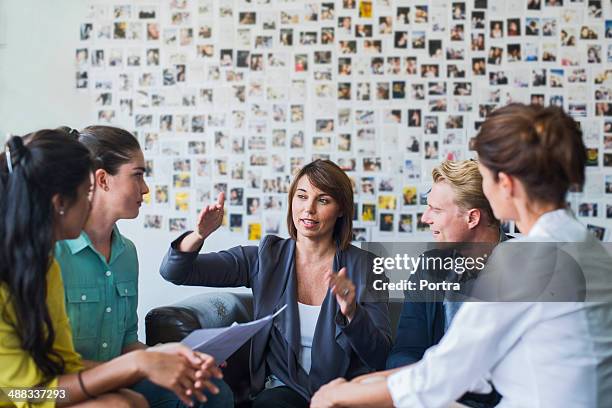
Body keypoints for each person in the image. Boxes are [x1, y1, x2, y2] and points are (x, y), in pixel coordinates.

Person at [310, 104, 612, 407]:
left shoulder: (526, 260)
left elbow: (446, 374)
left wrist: (340, 394)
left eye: (485, 175)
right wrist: (367, 383)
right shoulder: (586, 246)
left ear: (505, 183)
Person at [0, 129, 222, 408]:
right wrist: (137, 364)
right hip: (18, 396)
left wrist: (160, 358)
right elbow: (29, 394)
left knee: (132, 401)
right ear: (59, 204)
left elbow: (64, 364)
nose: (89, 203)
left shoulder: (45, 268)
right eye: (86, 193)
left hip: (44, 390)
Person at [160, 160, 391, 408]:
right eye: (302, 196)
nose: (308, 209)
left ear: (341, 209)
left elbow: (380, 355)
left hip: (345, 391)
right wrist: (199, 235)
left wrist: (352, 313)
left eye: (323, 200)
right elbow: (175, 272)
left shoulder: (367, 267)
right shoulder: (265, 257)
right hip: (283, 389)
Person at [387, 160, 505, 408]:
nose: (425, 218)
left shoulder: (526, 267)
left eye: (436, 210)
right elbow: (406, 349)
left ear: (472, 218)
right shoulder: (428, 268)